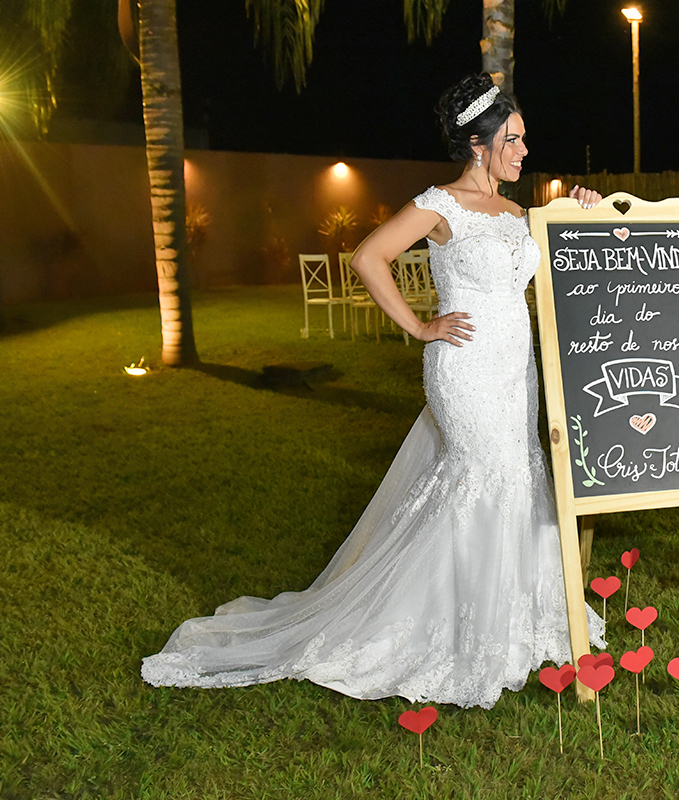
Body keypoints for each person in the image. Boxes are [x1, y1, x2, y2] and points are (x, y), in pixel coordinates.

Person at [142, 74, 605, 707]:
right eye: (515, 140)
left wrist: (586, 208)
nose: (525, 152)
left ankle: (516, 617)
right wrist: (420, 325)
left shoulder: (520, 213)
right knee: (481, 477)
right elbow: (367, 257)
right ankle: (457, 631)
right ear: (479, 145)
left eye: (524, 140)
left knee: (517, 476)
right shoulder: (440, 205)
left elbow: (558, 264)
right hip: (465, 368)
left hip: (514, 369)